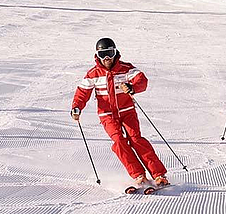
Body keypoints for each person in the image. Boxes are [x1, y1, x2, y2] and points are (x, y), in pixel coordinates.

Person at [71, 38, 169, 187]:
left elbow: (141, 80)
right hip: (107, 115)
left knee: (136, 139)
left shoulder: (125, 68)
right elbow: (82, 92)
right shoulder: (93, 74)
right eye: (103, 54)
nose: (107, 58)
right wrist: (76, 107)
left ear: (115, 52)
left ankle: (158, 174)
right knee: (119, 141)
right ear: (97, 55)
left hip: (127, 111)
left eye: (110, 53)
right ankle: (138, 175)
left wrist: (132, 87)